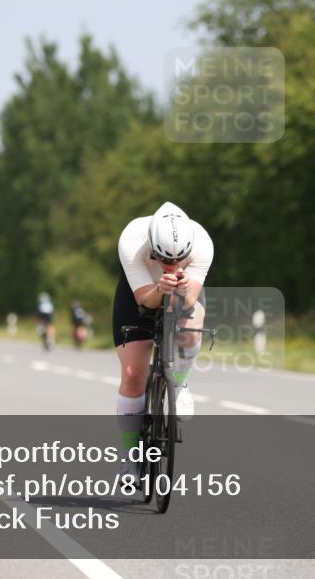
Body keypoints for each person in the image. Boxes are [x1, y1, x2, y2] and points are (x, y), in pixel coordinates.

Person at [113, 201, 213, 482]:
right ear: (152, 248)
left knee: (190, 330)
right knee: (133, 374)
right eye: (163, 259)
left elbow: (189, 301)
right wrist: (160, 287)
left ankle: (179, 383)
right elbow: (145, 302)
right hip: (142, 293)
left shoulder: (203, 242)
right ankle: (131, 455)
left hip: (180, 291)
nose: (170, 265)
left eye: (177, 260)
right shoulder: (133, 239)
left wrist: (180, 289)